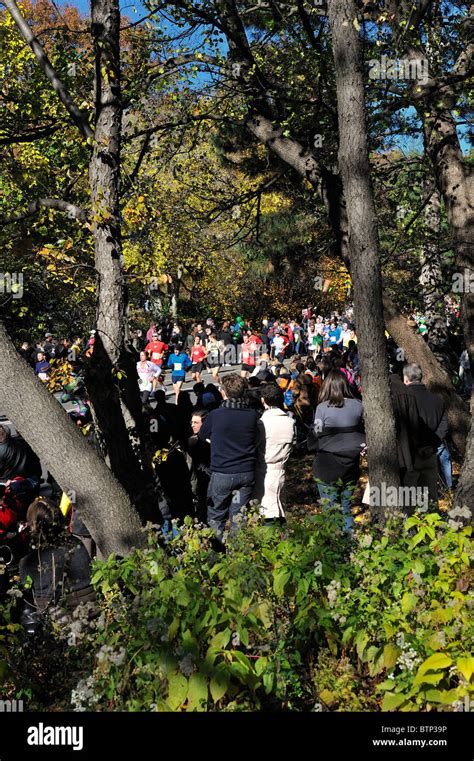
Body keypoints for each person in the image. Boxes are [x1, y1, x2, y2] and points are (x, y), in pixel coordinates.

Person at [19, 498, 94, 634]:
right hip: (91, 614)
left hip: (56, 622)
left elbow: (26, 591)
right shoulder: (77, 544)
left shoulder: (29, 561)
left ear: (32, 525)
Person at [198, 374, 258, 544]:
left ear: (223, 393)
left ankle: (217, 554)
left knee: (216, 516)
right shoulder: (252, 415)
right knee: (239, 516)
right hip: (246, 471)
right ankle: (239, 556)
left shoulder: (216, 415)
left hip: (223, 471)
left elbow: (202, 435)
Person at [308, 370, 365, 532]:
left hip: (327, 465)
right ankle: (350, 546)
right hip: (351, 464)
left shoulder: (322, 408)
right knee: (346, 508)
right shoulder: (358, 405)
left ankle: (334, 549)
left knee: (330, 510)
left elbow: (316, 432)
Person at [394, 363, 448, 508]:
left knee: (408, 501)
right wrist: (432, 445)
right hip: (430, 453)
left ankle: (411, 529)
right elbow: (443, 427)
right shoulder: (437, 399)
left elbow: (408, 428)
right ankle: (432, 528)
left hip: (410, 456)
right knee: (430, 498)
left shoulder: (404, 399)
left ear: (405, 378)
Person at [252, 384, 295, 521]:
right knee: (278, 506)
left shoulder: (262, 423)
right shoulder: (289, 421)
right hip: (281, 469)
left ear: (263, 400)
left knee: (267, 510)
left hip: (264, 470)